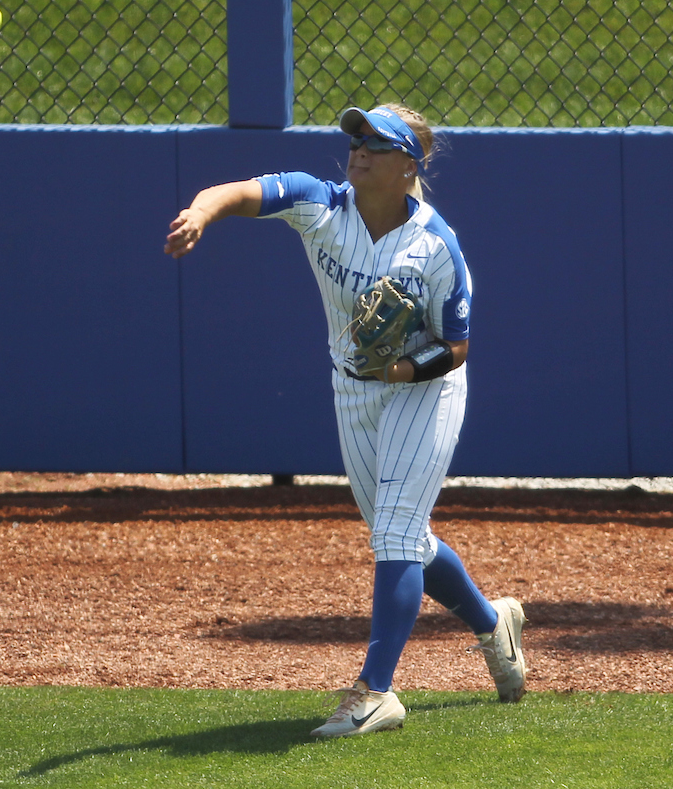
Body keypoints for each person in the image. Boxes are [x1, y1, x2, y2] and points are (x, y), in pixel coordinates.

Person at [165, 102, 526, 738]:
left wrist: (402, 370)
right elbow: (240, 191)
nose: (358, 149)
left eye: (377, 145)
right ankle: (493, 624)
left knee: (394, 530)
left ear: (408, 165)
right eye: (356, 139)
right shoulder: (320, 204)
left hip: (424, 390)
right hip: (351, 388)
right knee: (403, 536)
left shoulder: (435, 246)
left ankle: (374, 693)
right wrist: (200, 211)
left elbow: (456, 346)